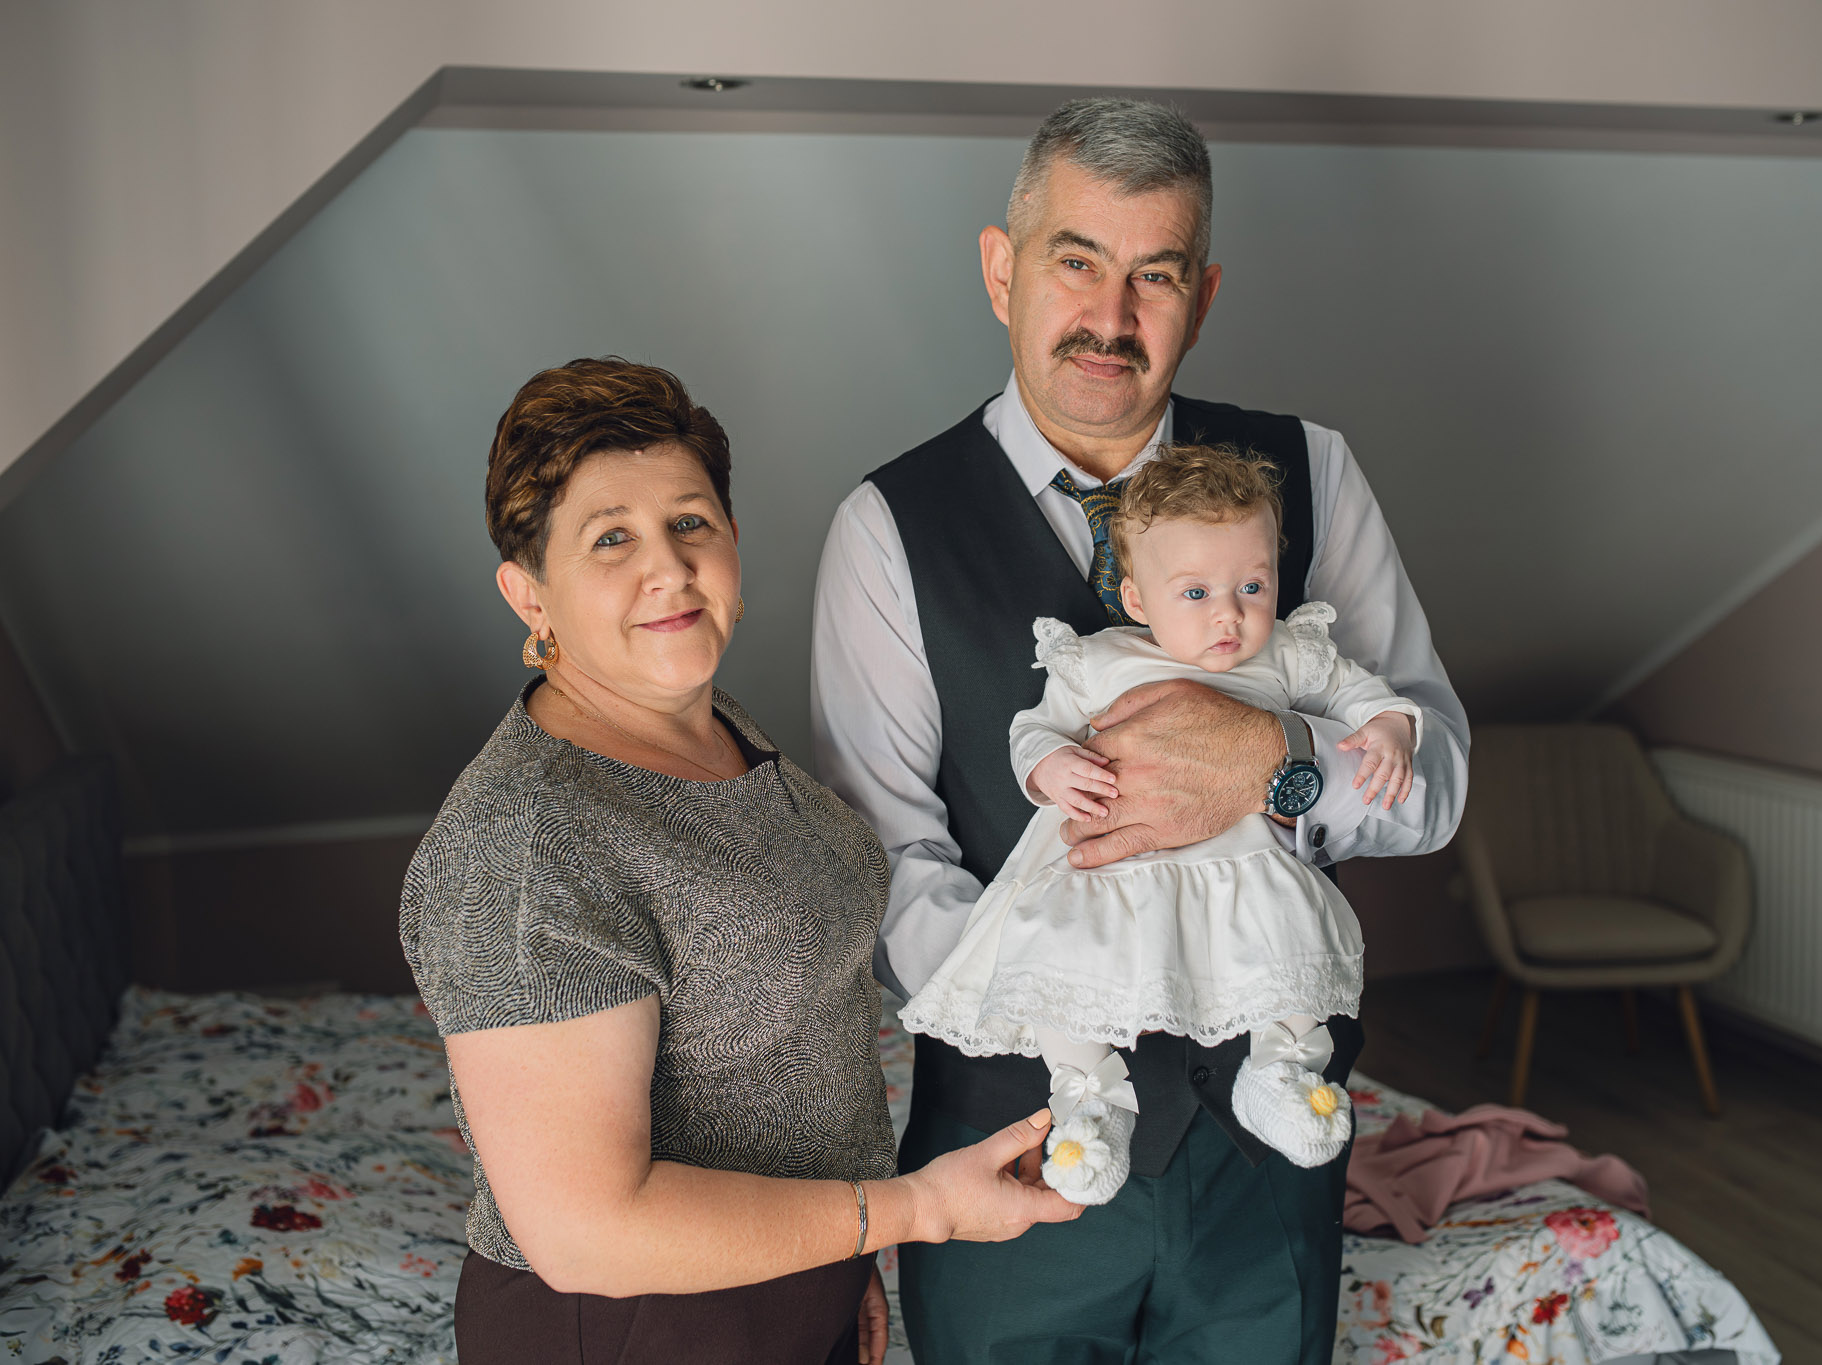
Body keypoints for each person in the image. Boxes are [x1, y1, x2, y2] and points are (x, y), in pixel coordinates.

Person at [812, 99, 1469, 1361]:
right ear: (1000, 269)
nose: (1110, 317)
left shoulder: (1311, 471)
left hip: (1263, 1148)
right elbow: (883, 862)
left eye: (1154, 275)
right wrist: (1057, 995)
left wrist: (1279, 768)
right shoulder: (888, 526)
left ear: (1201, 297)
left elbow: (1429, 777)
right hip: (1020, 1144)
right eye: (1075, 261)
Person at [399, 357, 1079, 1365]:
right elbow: (586, 1231)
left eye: (691, 521)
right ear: (528, 593)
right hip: (633, 1328)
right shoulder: (527, 846)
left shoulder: (708, 723)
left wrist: (838, 1259)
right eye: (611, 538)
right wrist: (909, 1210)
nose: (670, 569)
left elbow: (779, 1044)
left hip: (781, 1280)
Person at [897, 444, 1424, 1205]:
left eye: (1252, 586)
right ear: (1139, 600)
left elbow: (1362, 691)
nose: (1230, 614)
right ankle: (1090, 1096)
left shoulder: (1286, 653)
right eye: (1197, 592)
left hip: (1243, 860)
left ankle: (1281, 1067)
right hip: (1114, 873)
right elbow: (1033, 730)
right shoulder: (1099, 661)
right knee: (1060, 964)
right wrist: (1051, 766)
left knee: (1290, 939)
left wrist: (1390, 726)